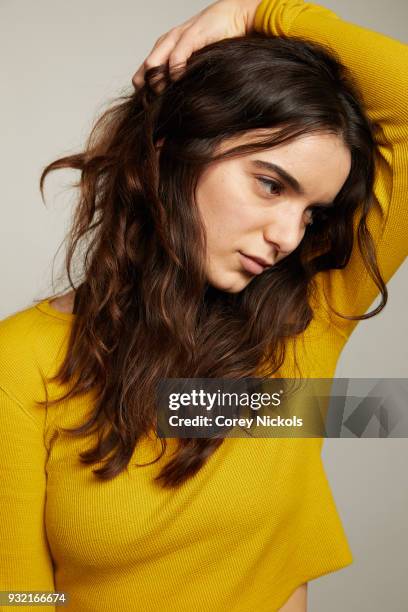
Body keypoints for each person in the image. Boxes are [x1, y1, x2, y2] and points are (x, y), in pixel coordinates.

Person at [0, 0, 407, 610]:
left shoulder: (305, 315)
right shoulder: (20, 361)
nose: (288, 236)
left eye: (311, 213)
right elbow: (22, 597)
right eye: (271, 184)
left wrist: (257, 10)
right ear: (169, 150)